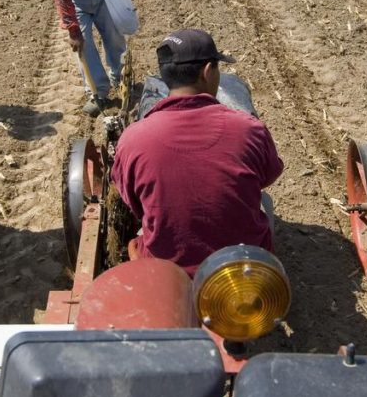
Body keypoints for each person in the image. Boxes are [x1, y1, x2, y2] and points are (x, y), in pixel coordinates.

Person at [111, 29, 284, 277]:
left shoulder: (132, 140)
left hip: (168, 277)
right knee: (264, 201)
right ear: (207, 71)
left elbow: (133, 203)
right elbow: (268, 176)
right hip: (240, 275)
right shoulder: (249, 129)